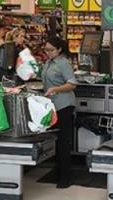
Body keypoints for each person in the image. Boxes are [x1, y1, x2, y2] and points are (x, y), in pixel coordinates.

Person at [42, 36, 77, 189]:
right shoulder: (49, 62)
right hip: (52, 106)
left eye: (51, 50)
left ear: (59, 50)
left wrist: (55, 89)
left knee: (63, 142)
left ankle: (66, 178)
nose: (48, 53)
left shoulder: (63, 63)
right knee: (55, 140)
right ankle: (57, 172)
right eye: (46, 50)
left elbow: (72, 83)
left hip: (64, 105)